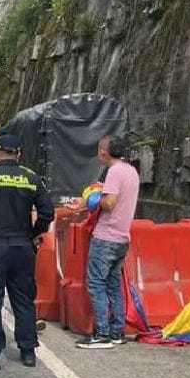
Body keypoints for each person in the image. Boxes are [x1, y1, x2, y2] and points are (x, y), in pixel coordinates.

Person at [0, 134, 54, 370]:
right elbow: (48, 212)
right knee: (24, 300)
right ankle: (28, 352)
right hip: (24, 248)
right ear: (18, 154)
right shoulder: (31, 177)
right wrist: (35, 232)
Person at [76, 135, 139, 349]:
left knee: (96, 283)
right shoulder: (130, 170)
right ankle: (116, 332)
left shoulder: (114, 171)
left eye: (98, 148)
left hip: (106, 237)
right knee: (113, 285)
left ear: (103, 151)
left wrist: (92, 199)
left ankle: (101, 333)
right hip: (122, 238)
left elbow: (110, 203)